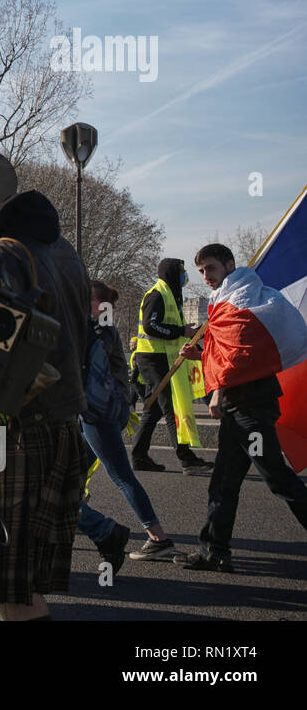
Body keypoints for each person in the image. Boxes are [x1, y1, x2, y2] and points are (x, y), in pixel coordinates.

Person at [0, 150, 91, 621]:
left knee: (10, 590)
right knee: (21, 586)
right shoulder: (64, 251)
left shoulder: (5, 252)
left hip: (19, 432)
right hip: (61, 425)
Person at [174, 243, 307, 572]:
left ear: (229, 265)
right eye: (202, 271)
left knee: (277, 478)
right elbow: (226, 350)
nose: (206, 276)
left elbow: (237, 358)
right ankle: (214, 551)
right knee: (224, 481)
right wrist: (203, 351)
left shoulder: (240, 301)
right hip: (242, 407)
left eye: (211, 269)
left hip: (250, 407)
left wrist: (217, 391)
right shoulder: (224, 302)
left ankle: (214, 550)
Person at [76, 281, 174, 571]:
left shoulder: (97, 332)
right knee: (73, 474)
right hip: (103, 412)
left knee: (121, 476)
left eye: (87, 300)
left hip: (97, 413)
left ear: (101, 305)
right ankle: (76, 515)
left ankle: (158, 537)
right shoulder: (103, 330)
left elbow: (91, 378)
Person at [132, 259, 213, 474]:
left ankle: (139, 456)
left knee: (154, 409)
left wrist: (186, 332)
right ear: (171, 273)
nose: (185, 275)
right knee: (171, 407)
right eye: (182, 271)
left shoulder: (170, 293)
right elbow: (151, 326)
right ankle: (187, 460)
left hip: (160, 357)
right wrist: (180, 331)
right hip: (152, 358)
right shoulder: (158, 294)